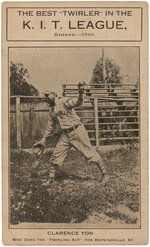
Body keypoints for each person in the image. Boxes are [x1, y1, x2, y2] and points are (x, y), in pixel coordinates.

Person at [33, 82, 109, 186]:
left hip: (77, 131)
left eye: (47, 94)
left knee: (89, 153)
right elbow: (50, 128)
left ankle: (105, 174)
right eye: (45, 95)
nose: (45, 97)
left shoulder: (64, 102)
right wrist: (43, 140)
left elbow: (78, 102)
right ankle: (50, 178)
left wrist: (81, 92)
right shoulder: (51, 110)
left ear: (54, 94)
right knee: (56, 154)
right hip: (65, 135)